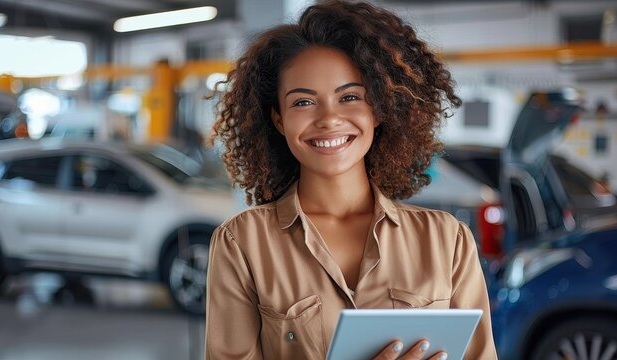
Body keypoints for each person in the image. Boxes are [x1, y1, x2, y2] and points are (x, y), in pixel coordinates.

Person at [205, 1, 498, 359]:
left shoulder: (447, 240)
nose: (329, 119)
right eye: (302, 102)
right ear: (279, 120)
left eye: (349, 97)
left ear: (378, 108)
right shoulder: (242, 244)